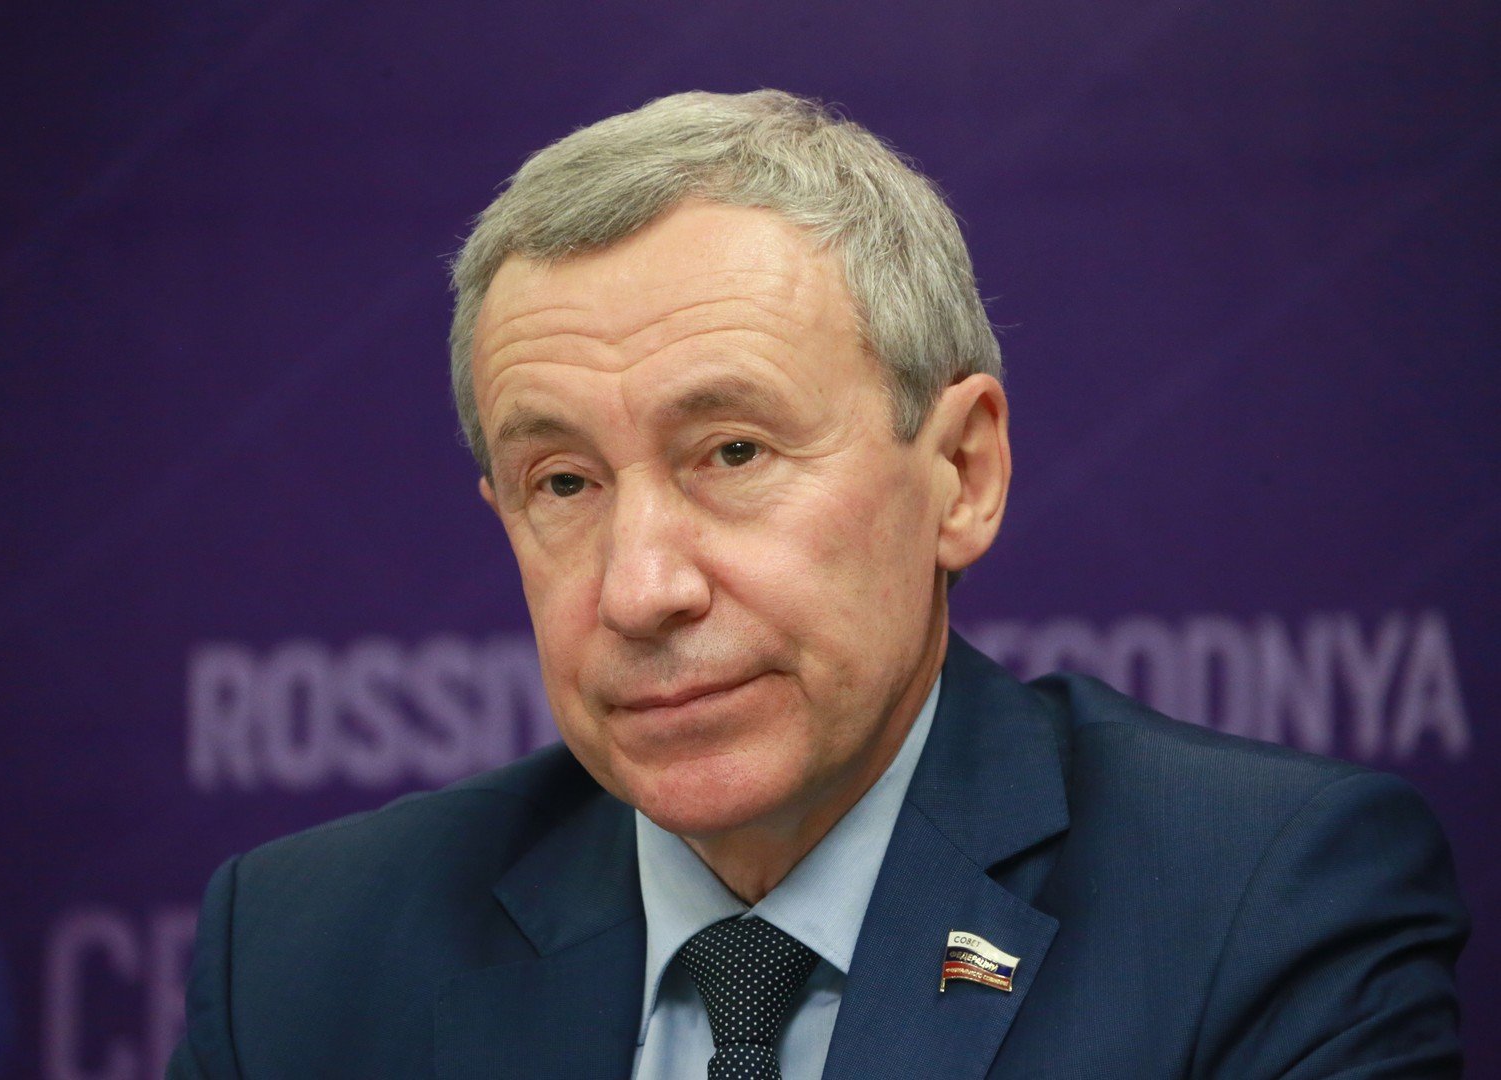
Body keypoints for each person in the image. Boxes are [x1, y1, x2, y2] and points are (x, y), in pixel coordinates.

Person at [168, 90, 1467, 1079]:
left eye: (733, 453)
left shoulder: (1259, 908)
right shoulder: (298, 960)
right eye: (563, 482)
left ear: (961, 474)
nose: (640, 588)